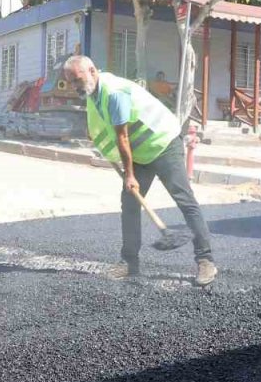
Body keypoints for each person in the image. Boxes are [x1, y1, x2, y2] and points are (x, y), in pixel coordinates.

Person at [62, 55, 217, 287]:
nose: (75, 86)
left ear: (92, 71)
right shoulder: (94, 94)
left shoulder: (113, 92)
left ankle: (206, 261)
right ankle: (129, 263)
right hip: (140, 153)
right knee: (130, 203)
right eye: (70, 82)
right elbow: (105, 128)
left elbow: (122, 136)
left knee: (184, 199)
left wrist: (130, 174)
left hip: (163, 144)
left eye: (77, 79)